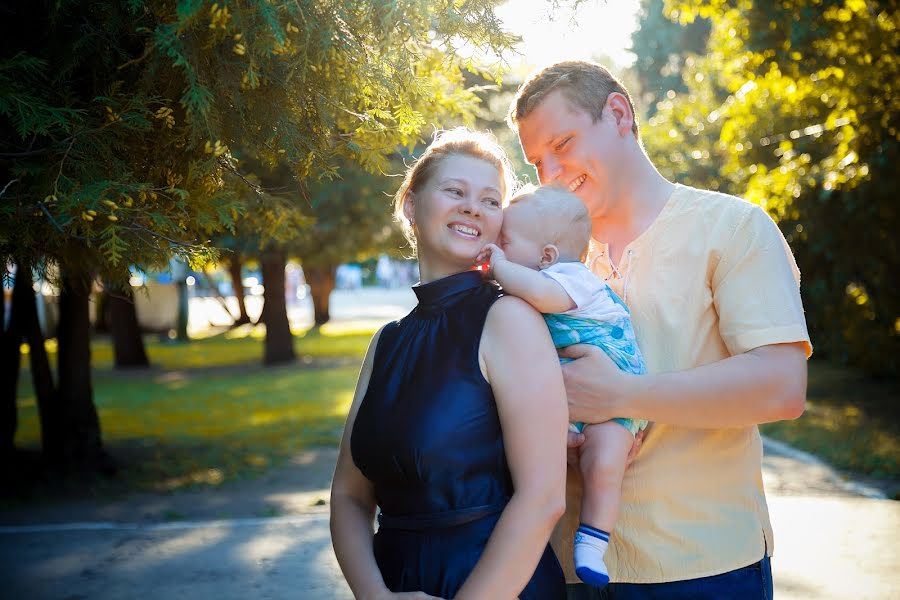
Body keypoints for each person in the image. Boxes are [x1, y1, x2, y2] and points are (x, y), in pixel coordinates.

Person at [508, 60, 812, 599]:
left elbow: (782, 385)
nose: (552, 172)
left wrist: (620, 395)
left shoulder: (732, 227)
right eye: (537, 161)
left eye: (564, 143)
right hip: (566, 571)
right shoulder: (541, 259)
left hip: (703, 566)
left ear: (619, 113)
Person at [330, 128, 568, 600]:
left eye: (490, 200)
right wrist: (376, 597)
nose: (472, 208)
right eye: (454, 191)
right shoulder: (388, 342)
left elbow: (543, 500)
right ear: (411, 206)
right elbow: (349, 497)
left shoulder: (509, 319)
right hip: (392, 582)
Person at [477, 184, 647, 588]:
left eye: (506, 240)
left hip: (615, 389)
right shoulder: (532, 282)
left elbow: (540, 294)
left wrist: (498, 267)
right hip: (575, 389)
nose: (497, 246)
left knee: (605, 463)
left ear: (547, 257)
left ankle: (593, 541)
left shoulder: (571, 279)